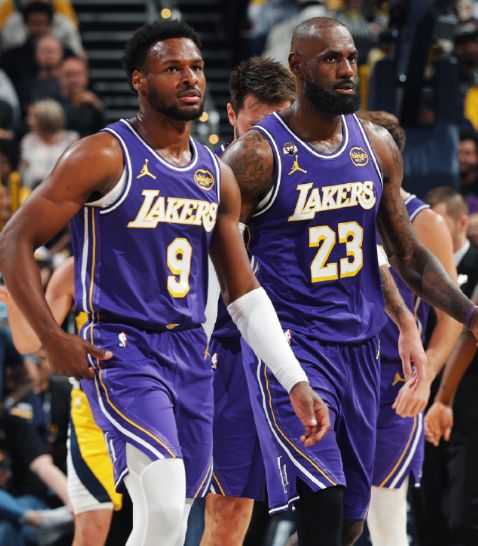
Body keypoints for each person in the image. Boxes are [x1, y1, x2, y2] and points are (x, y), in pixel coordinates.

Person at [0, 20, 330, 546]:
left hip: (190, 352)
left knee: (167, 523)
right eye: (172, 68)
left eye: (196, 67)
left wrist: (293, 378)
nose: (189, 77)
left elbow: (243, 292)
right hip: (124, 347)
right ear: (139, 79)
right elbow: (14, 239)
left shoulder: (215, 175)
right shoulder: (103, 154)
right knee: (165, 505)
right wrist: (52, 336)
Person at [219, 16, 478, 546]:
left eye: (352, 58)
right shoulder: (256, 156)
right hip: (294, 346)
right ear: (298, 66)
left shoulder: (376, 146)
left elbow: (405, 255)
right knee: (323, 504)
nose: (346, 70)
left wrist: (467, 314)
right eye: (331, 59)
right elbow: (220, 260)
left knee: (348, 523)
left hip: (361, 349)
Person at [202, 55, 296, 546]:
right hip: (230, 357)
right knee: (229, 510)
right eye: (258, 127)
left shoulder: (313, 173)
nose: (267, 143)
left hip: (312, 349)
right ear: (232, 115)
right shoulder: (207, 181)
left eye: (281, 125)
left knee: (339, 503)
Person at [357, 112, 461, 546]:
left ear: (390, 158)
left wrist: (426, 377)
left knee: (386, 518)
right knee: (330, 510)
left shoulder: (424, 222)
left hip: (394, 380)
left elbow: (450, 317)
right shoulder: (335, 208)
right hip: (339, 369)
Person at [0, 257, 131, 546]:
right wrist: (14, 300)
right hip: (95, 410)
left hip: (158, 401)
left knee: (167, 515)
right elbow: (28, 343)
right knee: (91, 531)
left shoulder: (166, 253)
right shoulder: (75, 268)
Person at [418, 187, 478, 546]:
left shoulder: (475, 264)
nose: (432, 230)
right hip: (422, 402)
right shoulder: (415, 268)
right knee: (427, 515)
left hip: (468, 411)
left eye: (439, 222)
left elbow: (468, 336)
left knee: (461, 518)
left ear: (461, 223)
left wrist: (444, 398)